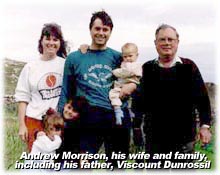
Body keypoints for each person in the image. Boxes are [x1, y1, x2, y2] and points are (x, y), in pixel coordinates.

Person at [58, 10, 136, 165]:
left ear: (110, 32)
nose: (101, 33)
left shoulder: (118, 57)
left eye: (105, 29)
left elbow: (135, 74)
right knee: (80, 165)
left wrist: (133, 84)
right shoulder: (75, 57)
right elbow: (66, 89)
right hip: (86, 117)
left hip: (115, 116)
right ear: (90, 29)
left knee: (117, 165)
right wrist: (60, 117)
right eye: (97, 29)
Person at [133, 24, 212, 165]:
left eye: (170, 39)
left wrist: (205, 127)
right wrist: (137, 127)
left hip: (185, 141)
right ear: (155, 43)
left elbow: (203, 99)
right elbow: (138, 103)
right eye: (162, 39)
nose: (166, 43)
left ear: (177, 42)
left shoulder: (189, 67)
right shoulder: (146, 68)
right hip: (154, 140)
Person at [15, 23, 67, 152]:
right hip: (34, 120)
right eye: (48, 38)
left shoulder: (65, 64)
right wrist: (22, 125)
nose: (51, 43)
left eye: (55, 39)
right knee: (36, 162)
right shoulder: (30, 67)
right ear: (41, 41)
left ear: (60, 43)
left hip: (57, 121)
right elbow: (23, 98)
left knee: (57, 161)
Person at [109, 43, 142, 125]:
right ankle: (118, 110)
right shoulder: (125, 63)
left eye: (130, 56)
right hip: (123, 84)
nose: (128, 58)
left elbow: (125, 72)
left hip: (130, 83)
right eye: (125, 56)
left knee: (114, 93)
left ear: (136, 55)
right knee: (116, 95)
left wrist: (114, 72)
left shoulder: (135, 65)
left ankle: (125, 111)